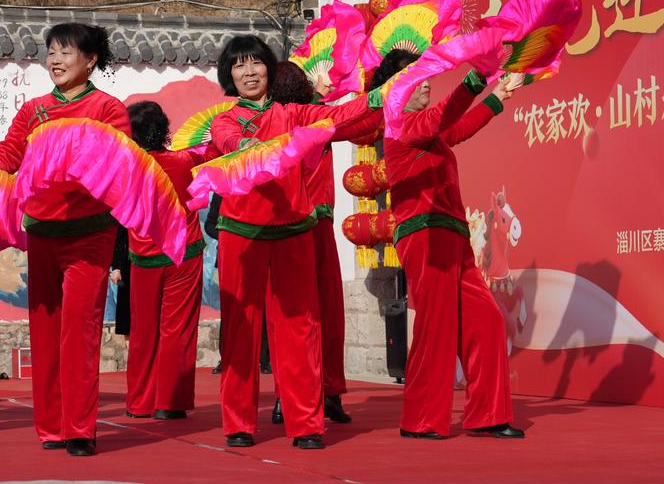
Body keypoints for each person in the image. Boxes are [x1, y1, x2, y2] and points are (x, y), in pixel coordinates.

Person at [210, 35, 382, 450]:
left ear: (269, 69)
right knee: (241, 329)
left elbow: (338, 116)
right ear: (229, 75)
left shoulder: (294, 113)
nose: (249, 72)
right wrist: (247, 147)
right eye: (239, 66)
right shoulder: (225, 120)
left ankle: (306, 423)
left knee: (299, 328)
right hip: (241, 233)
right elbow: (227, 142)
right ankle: (238, 423)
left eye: (255, 64)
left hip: (292, 230)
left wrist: (382, 95)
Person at [0, 22, 130, 457]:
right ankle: (50, 425)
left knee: (80, 332)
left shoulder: (107, 108)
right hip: (42, 233)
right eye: (51, 51)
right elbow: (10, 153)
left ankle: (80, 427)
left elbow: (116, 159)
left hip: (90, 235)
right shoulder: (34, 110)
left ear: (91, 60)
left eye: (66, 52)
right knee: (45, 334)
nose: (56, 59)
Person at [372, 49, 523, 440]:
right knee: (437, 324)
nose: (426, 82)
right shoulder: (400, 126)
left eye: (427, 76)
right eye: (417, 77)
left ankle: (488, 414)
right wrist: (477, 78)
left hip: (452, 234)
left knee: (486, 320)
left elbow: (458, 128)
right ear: (395, 90)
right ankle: (421, 418)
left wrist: (499, 95)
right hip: (423, 235)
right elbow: (444, 117)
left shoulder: (429, 135)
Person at [268, 62, 351, 425]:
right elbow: (350, 117)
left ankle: (286, 396)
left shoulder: (267, 125)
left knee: (291, 314)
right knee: (327, 311)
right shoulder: (319, 121)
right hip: (318, 223)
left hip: (285, 226)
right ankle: (329, 392)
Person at [123, 101, 206, 420]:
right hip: (184, 253)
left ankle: (139, 402)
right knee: (178, 329)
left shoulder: (127, 166)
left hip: (144, 255)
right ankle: (170, 402)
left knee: (143, 330)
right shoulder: (184, 160)